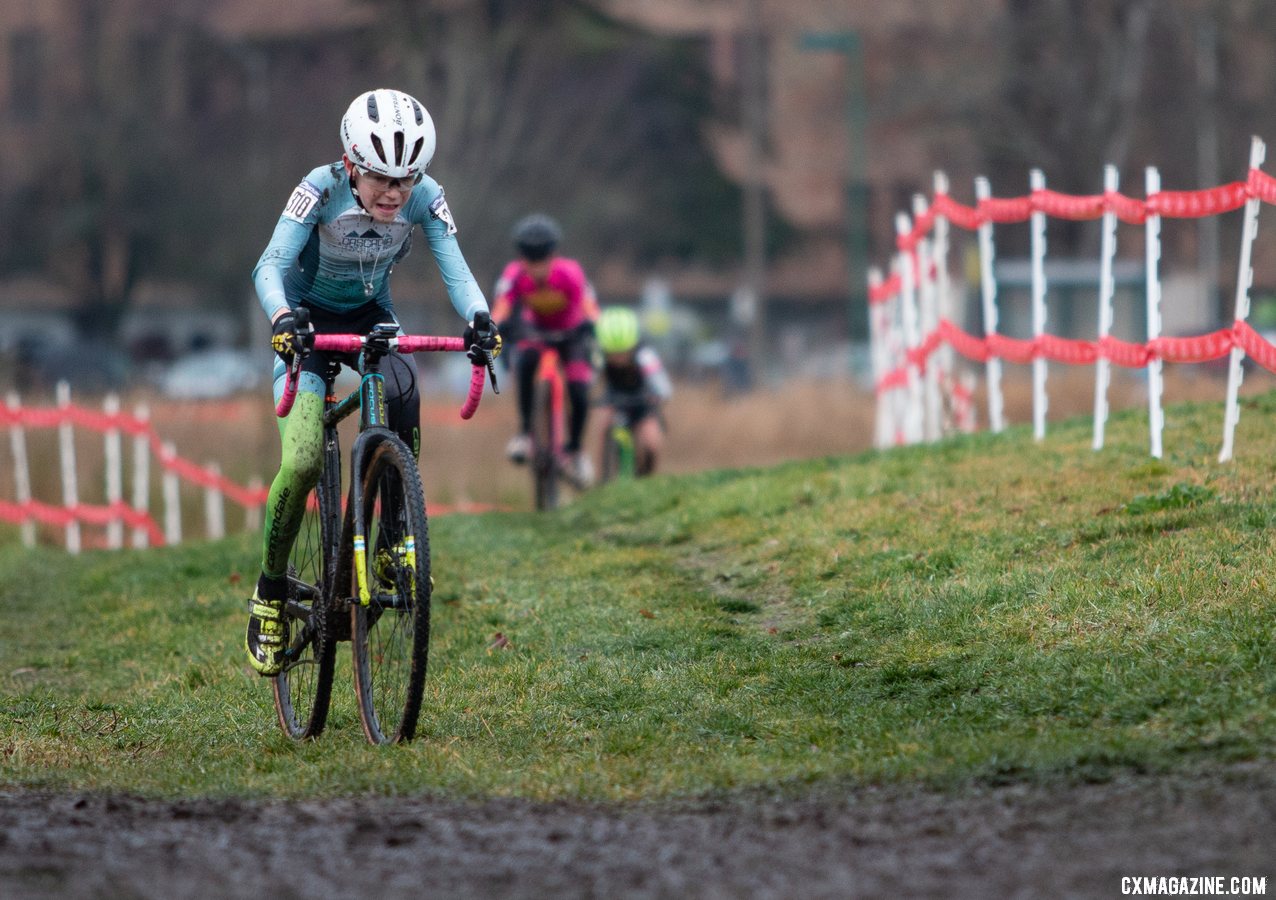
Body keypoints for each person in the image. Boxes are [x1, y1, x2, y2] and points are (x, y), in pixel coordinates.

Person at [244, 88, 501, 676]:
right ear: (352, 163)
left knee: (404, 387)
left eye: (405, 181)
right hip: (304, 322)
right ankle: (269, 590)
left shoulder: (426, 198)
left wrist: (480, 319)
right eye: (382, 179)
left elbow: (456, 270)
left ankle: (391, 540)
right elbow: (269, 265)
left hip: (368, 316)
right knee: (305, 457)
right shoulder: (319, 187)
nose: (394, 194)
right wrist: (283, 320)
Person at [491, 213, 600, 488]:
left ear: (553, 255)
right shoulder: (514, 275)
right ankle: (526, 434)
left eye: (542, 260)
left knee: (579, 389)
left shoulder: (569, 272)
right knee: (525, 360)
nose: (537, 269)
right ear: (522, 258)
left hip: (571, 335)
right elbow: (503, 304)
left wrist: (592, 324)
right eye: (530, 261)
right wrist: (496, 325)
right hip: (536, 333)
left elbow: (587, 303)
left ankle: (574, 450)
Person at [594, 306, 672, 477]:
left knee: (651, 442)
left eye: (623, 352)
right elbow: (590, 380)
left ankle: (646, 477)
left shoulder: (645, 356)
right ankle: (602, 478)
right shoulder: (599, 358)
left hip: (642, 402)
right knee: (602, 423)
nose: (617, 358)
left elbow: (662, 385)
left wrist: (659, 396)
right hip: (614, 398)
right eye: (612, 353)